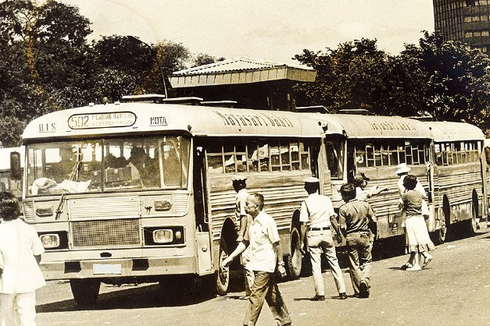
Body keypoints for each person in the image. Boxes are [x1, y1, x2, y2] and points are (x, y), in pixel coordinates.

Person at [222, 193, 292, 326]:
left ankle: (248, 323)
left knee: (255, 295)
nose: (245, 206)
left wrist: (281, 263)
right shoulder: (252, 222)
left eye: (248, 204)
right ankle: (284, 321)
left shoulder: (267, 221)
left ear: (257, 206)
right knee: (271, 294)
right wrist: (231, 257)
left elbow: (277, 244)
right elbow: (245, 242)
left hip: (265, 265)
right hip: (256, 264)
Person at [0, 191, 46, 325]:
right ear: (17, 209)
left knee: (6, 317)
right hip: (27, 279)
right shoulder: (28, 229)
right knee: (28, 316)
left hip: (5, 282)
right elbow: (37, 254)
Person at [299, 177, 347, 301]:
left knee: (316, 265)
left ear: (306, 188)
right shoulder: (326, 200)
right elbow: (332, 218)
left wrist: (301, 242)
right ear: (317, 187)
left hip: (313, 234)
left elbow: (304, 224)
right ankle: (342, 291)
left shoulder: (305, 203)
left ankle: (320, 294)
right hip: (326, 232)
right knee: (334, 262)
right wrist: (338, 233)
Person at [336, 183, 377, 299]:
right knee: (367, 261)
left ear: (346, 196)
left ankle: (358, 290)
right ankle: (365, 280)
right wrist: (373, 233)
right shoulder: (365, 205)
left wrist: (345, 236)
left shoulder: (343, 208)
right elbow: (373, 220)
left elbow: (342, 227)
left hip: (351, 237)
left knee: (354, 264)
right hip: (364, 235)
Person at [398, 175, 434, 271]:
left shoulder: (405, 195)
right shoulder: (418, 194)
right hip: (419, 218)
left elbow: (400, 205)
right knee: (418, 240)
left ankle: (418, 264)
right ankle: (418, 260)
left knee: (413, 241)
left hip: (411, 219)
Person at [232, 175, 253, 299]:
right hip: (249, 230)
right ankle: (249, 291)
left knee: (246, 261)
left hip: (246, 232)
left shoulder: (241, 196)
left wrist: (241, 234)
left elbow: (243, 216)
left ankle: (251, 291)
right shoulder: (246, 194)